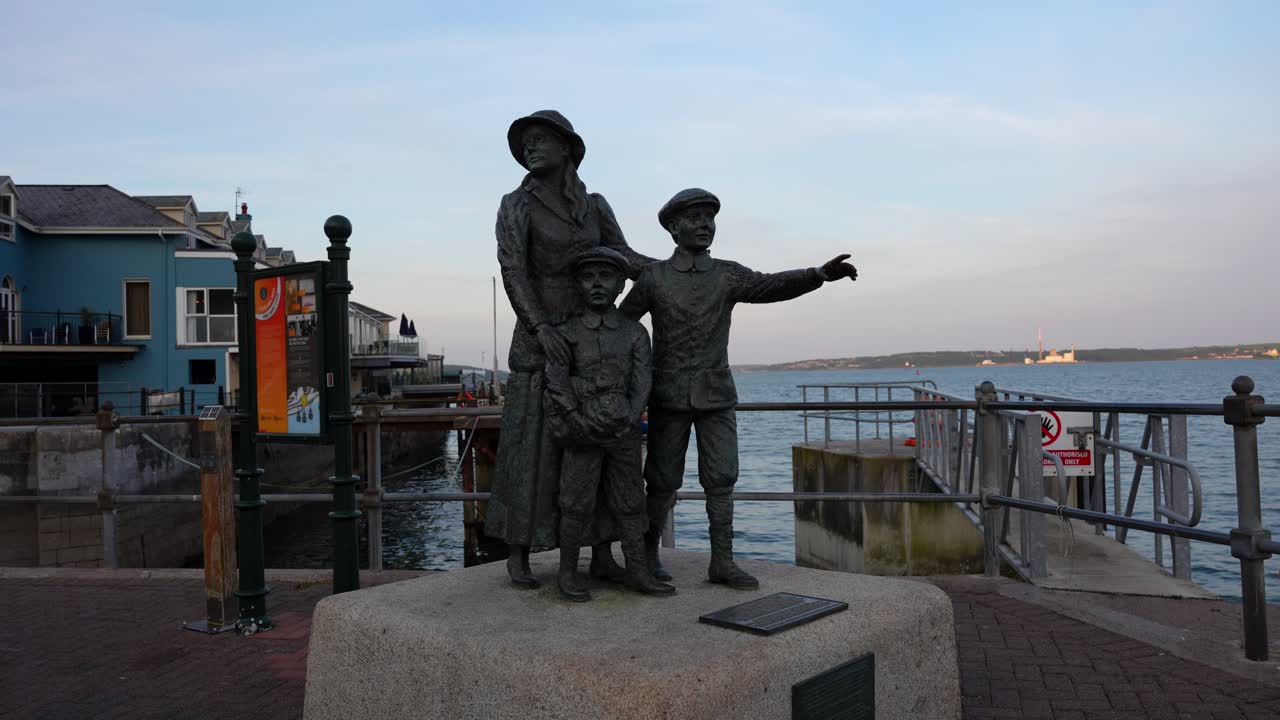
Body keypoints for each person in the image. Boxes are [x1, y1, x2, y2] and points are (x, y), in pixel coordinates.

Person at [620, 188, 857, 589]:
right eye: (693, 219)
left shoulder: (726, 274)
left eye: (708, 218)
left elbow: (769, 286)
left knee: (722, 479)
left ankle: (723, 562)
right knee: (661, 481)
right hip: (668, 396)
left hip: (716, 396)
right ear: (673, 228)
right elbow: (623, 326)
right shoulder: (653, 278)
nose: (703, 225)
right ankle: (646, 557)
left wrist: (816, 275)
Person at [485, 110, 655, 588]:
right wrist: (541, 327)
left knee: (597, 445)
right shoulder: (515, 203)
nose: (530, 148)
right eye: (525, 143)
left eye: (540, 140)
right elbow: (513, 270)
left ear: (567, 148)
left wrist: (672, 273)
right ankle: (519, 550)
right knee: (532, 450)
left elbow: (627, 258)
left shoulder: (595, 205)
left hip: (593, 337)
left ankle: (601, 551)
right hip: (542, 336)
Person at [544, 247, 675, 601]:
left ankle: (637, 570)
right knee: (575, 501)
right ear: (577, 284)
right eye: (588, 277)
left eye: (607, 277)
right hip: (581, 432)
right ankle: (568, 571)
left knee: (631, 500)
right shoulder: (566, 333)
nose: (597, 284)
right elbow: (555, 379)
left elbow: (642, 381)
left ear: (621, 285)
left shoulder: (634, 333)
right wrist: (575, 418)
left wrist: (630, 418)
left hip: (623, 433)